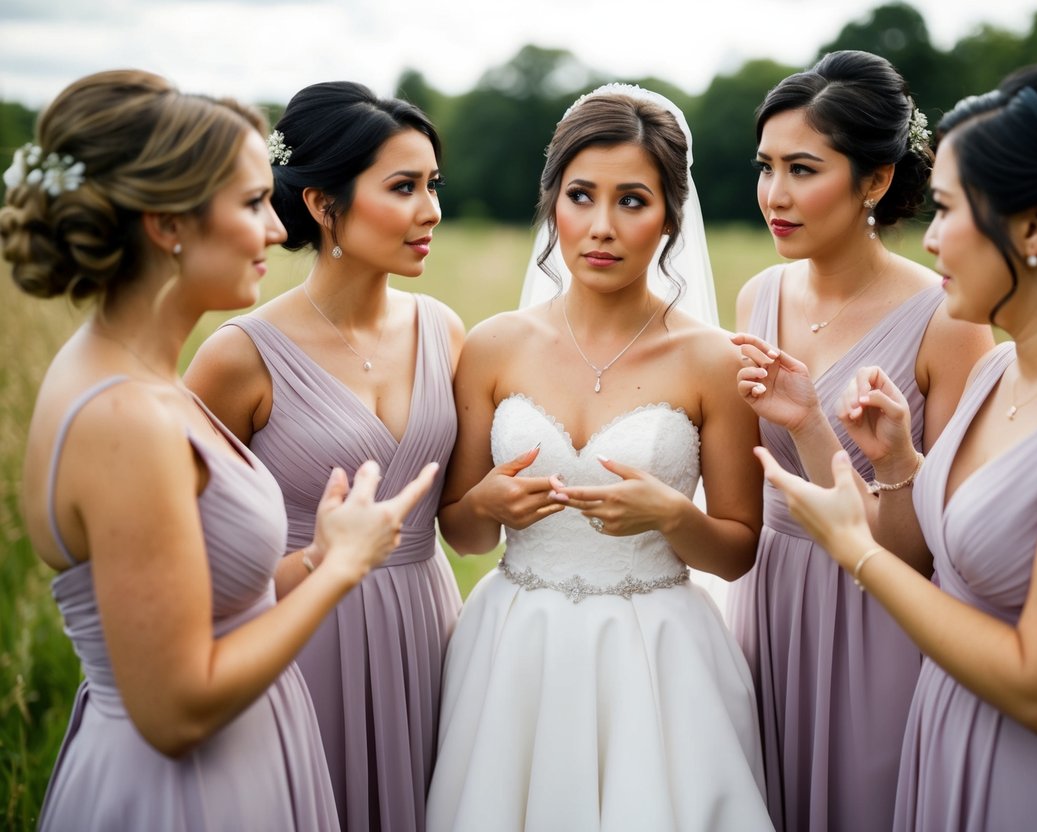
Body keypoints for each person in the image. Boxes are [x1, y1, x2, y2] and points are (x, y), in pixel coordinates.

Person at [754, 61, 1037, 831]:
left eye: (944, 210)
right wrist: (896, 461)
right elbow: (929, 550)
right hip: (953, 734)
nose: (928, 241)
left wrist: (851, 550)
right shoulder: (1002, 368)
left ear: (1032, 227)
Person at [1, 69, 439, 831]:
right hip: (184, 795)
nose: (276, 229)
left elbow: (200, 601)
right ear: (169, 224)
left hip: (244, 759)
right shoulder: (125, 418)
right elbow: (174, 711)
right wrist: (339, 570)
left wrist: (310, 557)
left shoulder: (132, 378)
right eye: (250, 203)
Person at [426, 84, 773, 830]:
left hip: (655, 656)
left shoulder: (713, 361)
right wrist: (484, 505)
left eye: (633, 201)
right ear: (552, 201)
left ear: (672, 216)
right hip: (516, 648)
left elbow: (737, 551)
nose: (602, 228)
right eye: (581, 196)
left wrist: (676, 517)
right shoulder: (491, 346)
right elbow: (463, 533)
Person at [183, 81, 463, 832]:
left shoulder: (444, 331)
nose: (429, 211)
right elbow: (183, 555)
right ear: (321, 204)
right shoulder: (239, 356)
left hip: (426, 623)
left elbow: (467, 522)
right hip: (304, 636)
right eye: (402, 187)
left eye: (432, 185)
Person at [726, 49, 993, 831]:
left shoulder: (947, 320)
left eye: (802, 169)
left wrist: (812, 424)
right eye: (765, 166)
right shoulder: (758, 294)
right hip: (766, 602)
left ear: (874, 180)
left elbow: (932, 546)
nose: (775, 194)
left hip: (878, 608)